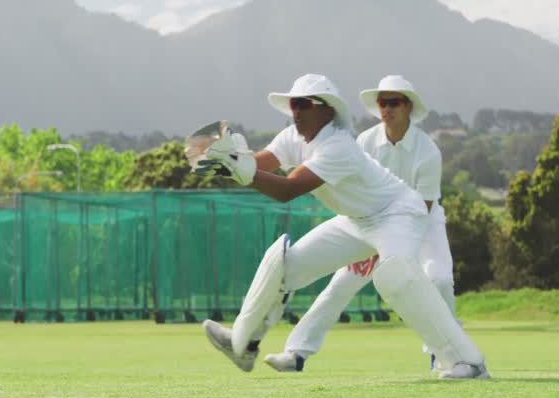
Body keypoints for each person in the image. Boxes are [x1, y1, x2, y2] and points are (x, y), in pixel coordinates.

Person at [197, 74, 487, 379]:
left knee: (396, 275)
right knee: (285, 265)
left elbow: (287, 190)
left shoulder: (339, 146)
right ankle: (243, 343)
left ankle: (466, 363)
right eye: (294, 104)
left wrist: (241, 170)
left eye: (304, 104)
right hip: (356, 220)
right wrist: (229, 161)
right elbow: (258, 166)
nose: (296, 111)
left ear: (326, 110)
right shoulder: (292, 137)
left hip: (398, 213)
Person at [264, 75, 456, 373]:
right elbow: (352, 192)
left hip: (424, 221)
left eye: (394, 102)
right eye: (382, 102)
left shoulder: (428, 150)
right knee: (342, 283)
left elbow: (424, 207)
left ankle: (446, 355)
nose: (387, 108)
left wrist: (382, 249)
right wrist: (368, 244)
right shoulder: (364, 142)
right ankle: (296, 353)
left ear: (408, 107)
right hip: (370, 223)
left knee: (439, 278)